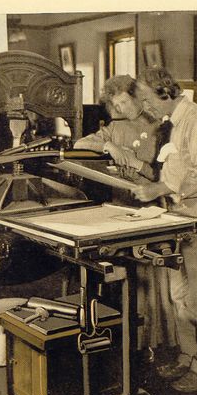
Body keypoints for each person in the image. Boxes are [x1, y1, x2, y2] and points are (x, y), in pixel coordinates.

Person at [132, 67, 197, 392]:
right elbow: (172, 171)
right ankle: (188, 354)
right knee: (178, 295)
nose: (146, 108)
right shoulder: (171, 125)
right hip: (177, 216)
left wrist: (159, 189)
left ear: (165, 91)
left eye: (147, 99)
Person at [74, 74, 177, 351]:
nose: (120, 109)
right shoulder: (115, 126)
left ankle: (155, 341)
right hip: (122, 208)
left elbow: (165, 175)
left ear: (136, 97)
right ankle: (131, 342)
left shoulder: (161, 126)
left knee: (153, 279)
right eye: (115, 104)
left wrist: (136, 163)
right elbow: (79, 145)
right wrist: (108, 145)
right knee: (128, 275)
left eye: (123, 101)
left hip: (152, 207)